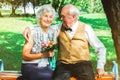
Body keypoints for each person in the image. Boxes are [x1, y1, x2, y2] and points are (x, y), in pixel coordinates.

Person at [23, 4, 106, 80]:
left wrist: (100, 66)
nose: (61, 18)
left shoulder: (86, 28)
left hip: (83, 64)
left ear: (73, 17)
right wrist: (29, 28)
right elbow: (44, 26)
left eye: (63, 16)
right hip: (63, 65)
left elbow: (100, 48)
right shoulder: (58, 27)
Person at [21, 4, 57, 80]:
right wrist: (43, 55)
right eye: (45, 16)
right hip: (30, 65)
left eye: (50, 17)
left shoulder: (53, 32)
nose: (48, 19)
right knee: (44, 76)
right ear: (40, 17)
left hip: (46, 66)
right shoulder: (32, 32)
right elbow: (25, 55)